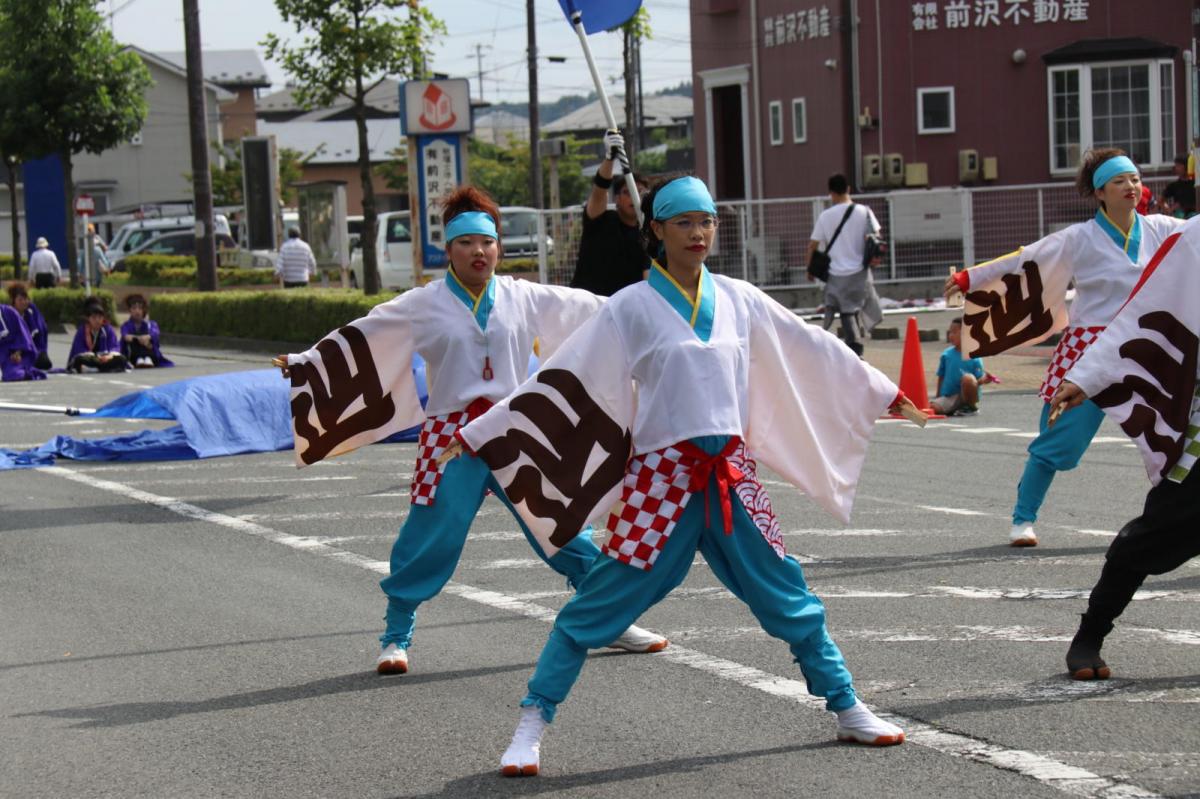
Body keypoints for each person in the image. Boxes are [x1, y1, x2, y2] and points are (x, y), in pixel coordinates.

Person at [455, 175, 918, 777]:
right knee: (597, 605)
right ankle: (531, 723)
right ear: (657, 230)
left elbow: (809, 346)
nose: (698, 234)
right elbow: (564, 374)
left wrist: (884, 392)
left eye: (706, 222)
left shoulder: (740, 298)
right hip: (660, 483)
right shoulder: (629, 307)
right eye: (684, 223)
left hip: (731, 477)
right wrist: (484, 434)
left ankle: (847, 705)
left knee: (787, 593)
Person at [279, 186, 666, 677]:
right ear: (448, 250)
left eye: (487, 242)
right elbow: (366, 337)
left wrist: (650, 305)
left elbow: (592, 310)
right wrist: (306, 363)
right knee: (430, 534)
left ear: (498, 248)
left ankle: (610, 619)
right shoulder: (423, 303)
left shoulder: (523, 295)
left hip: (515, 427)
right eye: (466, 243)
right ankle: (396, 635)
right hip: (451, 437)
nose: (478, 252)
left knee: (563, 524)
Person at [945, 149, 1185, 548]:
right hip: (1090, 352)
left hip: (1145, 349)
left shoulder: (1161, 229)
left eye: (1135, 179)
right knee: (1058, 443)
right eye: (1119, 181)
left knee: (1173, 439)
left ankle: (1174, 523)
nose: (1130, 186)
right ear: (1099, 192)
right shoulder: (1079, 238)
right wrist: (971, 278)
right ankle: (1023, 519)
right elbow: (1025, 260)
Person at [1048, 215, 1200, 681]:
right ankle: (1091, 633)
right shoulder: (1194, 240)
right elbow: (1141, 312)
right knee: (1155, 531)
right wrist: (1088, 377)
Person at [806, 174, 883, 358]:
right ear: (848, 188)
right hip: (860, 272)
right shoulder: (864, 211)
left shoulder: (825, 216)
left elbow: (813, 245)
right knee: (854, 308)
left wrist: (810, 268)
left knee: (846, 311)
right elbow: (877, 236)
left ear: (831, 193)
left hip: (836, 274)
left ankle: (853, 348)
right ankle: (855, 347)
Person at [569, 129, 650, 296]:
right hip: (586, 302)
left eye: (640, 192)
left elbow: (648, 279)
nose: (634, 197)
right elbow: (600, 191)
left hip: (623, 306)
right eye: (627, 192)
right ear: (617, 199)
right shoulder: (600, 220)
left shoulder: (648, 234)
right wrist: (610, 157)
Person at [931, 318, 984, 416]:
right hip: (950, 396)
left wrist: (985, 380)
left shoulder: (974, 356)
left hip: (967, 396)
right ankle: (955, 408)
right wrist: (938, 396)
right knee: (933, 408)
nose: (951, 335)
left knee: (968, 378)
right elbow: (941, 376)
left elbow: (979, 378)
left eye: (954, 332)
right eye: (950, 332)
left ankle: (970, 407)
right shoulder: (947, 355)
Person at [67, 300, 128, 373]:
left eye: (100, 317)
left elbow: (114, 346)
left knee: (121, 359)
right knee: (79, 360)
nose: (97, 320)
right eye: (94, 317)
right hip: (90, 358)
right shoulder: (82, 330)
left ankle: (97, 368)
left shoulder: (108, 329)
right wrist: (93, 356)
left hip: (105, 357)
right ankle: (103, 368)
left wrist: (109, 355)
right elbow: (79, 349)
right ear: (88, 318)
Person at [119, 294, 173, 368]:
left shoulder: (151, 324)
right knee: (135, 339)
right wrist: (137, 338)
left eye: (140, 308)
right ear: (130, 310)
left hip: (150, 352)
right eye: (134, 308)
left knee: (148, 339)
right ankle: (139, 359)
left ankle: (148, 358)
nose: (137, 311)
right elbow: (125, 336)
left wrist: (148, 337)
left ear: (143, 310)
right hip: (134, 354)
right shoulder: (126, 325)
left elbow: (155, 333)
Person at [6, 284, 51, 370]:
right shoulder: (8, 314)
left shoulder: (31, 311)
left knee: (44, 362)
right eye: (20, 299)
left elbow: (37, 333)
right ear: (13, 301)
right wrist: (15, 352)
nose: (24, 302)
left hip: (31, 349)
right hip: (12, 350)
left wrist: (21, 351)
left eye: (26, 299)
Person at [0, 301, 46, 381]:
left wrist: (18, 353)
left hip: (9, 356)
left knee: (13, 374)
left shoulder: (9, 312)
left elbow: (23, 337)